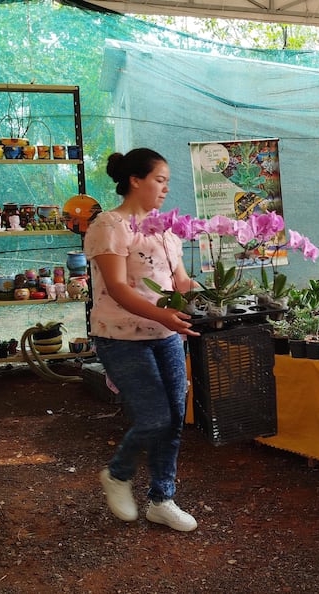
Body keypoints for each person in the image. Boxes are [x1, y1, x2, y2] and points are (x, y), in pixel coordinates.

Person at [85, 148, 199, 531]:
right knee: (154, 417)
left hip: (166, 334)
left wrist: (213, 296)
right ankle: (117, 474)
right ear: (136, 180)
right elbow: (117, 287)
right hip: (121, 336)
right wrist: (163, 314)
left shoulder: (165, 226)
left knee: (174, 419)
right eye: (160, 179)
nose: (166, 188)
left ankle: (161, 499)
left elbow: (179, 281)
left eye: (167, 181)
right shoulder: (109, 225)